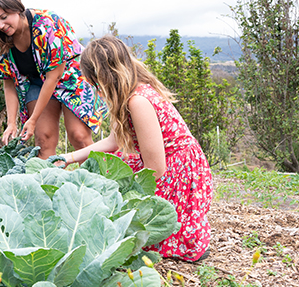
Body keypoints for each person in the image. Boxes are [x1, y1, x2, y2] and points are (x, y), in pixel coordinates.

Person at [57, 35, 212, 262]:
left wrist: (123, 194)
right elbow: (113, 142)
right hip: (166, 162)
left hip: (178, 170)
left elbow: (156, 170)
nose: (96, 90)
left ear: (105, 77)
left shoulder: (137, 102)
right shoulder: (129, 94)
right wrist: (67, 157)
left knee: (138, 236)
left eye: (94, 83)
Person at [0, 0, 106, 159]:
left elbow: (53, 78)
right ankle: (49, 184)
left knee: (79, 136)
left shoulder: (48, 24)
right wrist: (11, 123)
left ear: (17, 8)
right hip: (35, 83)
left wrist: (32, 120)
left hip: (70, 78)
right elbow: (8, 82)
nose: (1, 25)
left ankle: (95, 183)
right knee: (43, 140)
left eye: (4, 17)